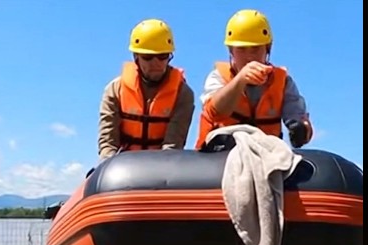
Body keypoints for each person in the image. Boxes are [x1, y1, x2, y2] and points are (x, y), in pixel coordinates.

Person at [195, 9, 313, 150]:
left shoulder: (283, 81)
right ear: (231, 51)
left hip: (265, 152)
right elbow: (216, 112)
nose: (249, 57)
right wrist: (240, 80)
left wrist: (301, 129)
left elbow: (297, 116)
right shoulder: (218, 76)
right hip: (218, 153)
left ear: (267, 49)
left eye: (255, 49)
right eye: (241, 49)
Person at [97, 19, 196, 161]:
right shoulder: (114, 90)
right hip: (122, 165)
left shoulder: (183, 94)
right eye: (148, 57)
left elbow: (173, 145)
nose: (155, 63)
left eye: (162, 56)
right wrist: (109, 164)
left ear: (170, 57)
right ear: (136, 57)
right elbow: (107, 143)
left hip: (161, 166)